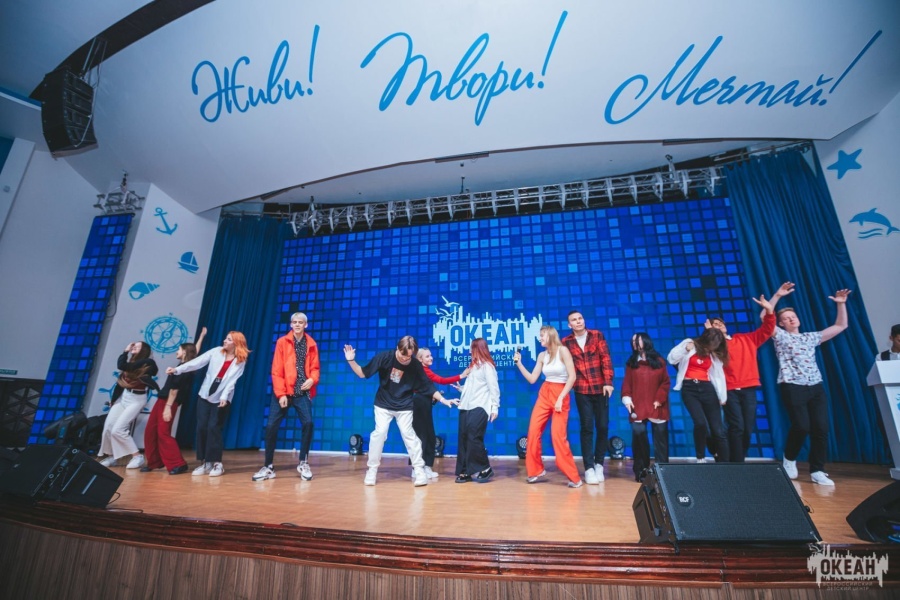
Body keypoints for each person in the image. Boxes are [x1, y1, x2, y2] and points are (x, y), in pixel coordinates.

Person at [343, 336, 454, 486]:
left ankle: (419, 470)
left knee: (410, 436)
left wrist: (443, 400)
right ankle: (372, 470)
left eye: (409, 356)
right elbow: (363, 373)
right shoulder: (385, 358)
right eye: (403, 355)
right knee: (379, 434)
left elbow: (428, 386)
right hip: (383, 404)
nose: (405, 359)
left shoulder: (415, 365)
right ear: (397, 348)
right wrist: (351, 360)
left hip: (404, 406)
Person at [707, 282, 794, 462]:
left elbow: (767, 330)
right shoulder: (714, 346)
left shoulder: (745, 339)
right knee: (737, 426)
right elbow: (713, 353)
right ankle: (736, 464)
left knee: (747, 428)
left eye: (720, 323)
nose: (718, 325)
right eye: (714, 325)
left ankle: (731, 455)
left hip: (749, 388)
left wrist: (769, 310)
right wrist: (711, 335)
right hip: (729, 390)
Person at [774, 289, 851, 486]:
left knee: (821, 428)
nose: (791, 319)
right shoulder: (780, 336)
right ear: (781, 323)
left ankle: (817, 470)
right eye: (786, 318)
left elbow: (841, 325)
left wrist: (841, 303)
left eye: (793, 316)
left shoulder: (810, 337)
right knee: (801, 426)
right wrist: (777, 296)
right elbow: (764, 319)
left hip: (815, 386)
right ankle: (789, 458)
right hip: (792, 386)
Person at [168, 331, 250, 478]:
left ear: (236, 343)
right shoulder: (216, 352)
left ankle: (217, 463)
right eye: (225, 338)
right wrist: (177, 370)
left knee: (214, 428)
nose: (224, 341)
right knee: (201, 427)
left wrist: (224, 397)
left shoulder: (240, 360)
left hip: (222, 399)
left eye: (228, 339)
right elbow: (197, 362)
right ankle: (205, 463)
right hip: (204, 395)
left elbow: (232, 381)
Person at [252, 313, 321, 482]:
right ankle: (268, 466)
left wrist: (312, 379)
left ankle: (303, 462)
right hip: (284, 391)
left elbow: (315, 368)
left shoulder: (311, 344)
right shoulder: (282, 342)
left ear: (306, 325)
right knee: (271, 427)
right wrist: (281, 393)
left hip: (302, 391)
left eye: (300, 322)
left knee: (308, 423)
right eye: (294, 322)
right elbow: (277, 370)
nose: (297, 325)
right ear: (291, 324)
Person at [514, 325, 584, 488]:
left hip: (561, 393)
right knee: (533, 431)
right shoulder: (542, 355)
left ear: (551, 335)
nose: (540, 338)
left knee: (558, 436)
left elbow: (572, 377)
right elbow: (532, 379)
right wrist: (519, 363)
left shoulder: (563, 351)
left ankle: (574, 478)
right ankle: (536, 470)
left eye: (542, 335)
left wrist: (561, 398)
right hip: (545, 392)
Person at [140, 327, 207, 474]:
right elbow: (194, 351)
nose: (176, 351)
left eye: (179, 349)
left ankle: (178, 463)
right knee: (150, 431)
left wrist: (168, 407)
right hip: (162, 401)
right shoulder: (186, 365)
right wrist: (201, 337)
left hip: (168, 402)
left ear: (184, 352)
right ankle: (154, 462)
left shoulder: (184, 368)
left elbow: (174, 390)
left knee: (163, 433)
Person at [562, 310, 614, 484]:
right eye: (574, 320)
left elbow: (606, 359)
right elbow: (565, 366)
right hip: (581, 389)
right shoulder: (566, 342)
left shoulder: (597, 335)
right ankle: (589, 468)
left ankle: (599, 464)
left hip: (601, 387)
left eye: (580, 318)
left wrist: (608, 381)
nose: (578, 321)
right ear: (569, 324)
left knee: (603, 426)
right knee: (587, 428)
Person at [667, 328, 729, 462]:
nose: (711, 348)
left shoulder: (713, 355)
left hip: (707, 389)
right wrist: (685, 350)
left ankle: (725, 463)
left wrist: (722, 396)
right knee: (700, 423)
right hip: (690, 389)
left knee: (718, 430)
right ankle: (700, 457)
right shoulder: (689, 343)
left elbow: (718, 377)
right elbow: (671, 358)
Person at [97, 341, 160, 469]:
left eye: (137, 346)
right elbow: (120, 384)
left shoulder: (148, 362)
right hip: (124, 397)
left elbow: (122, 365)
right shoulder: (131, 363)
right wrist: (113, 400)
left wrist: (125, 352)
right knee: (108, 427)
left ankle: (137, 456)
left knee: (118, 430)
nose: (134, 346)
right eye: (133, 345)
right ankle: (112, 456)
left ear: (144, 350)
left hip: (137, 399)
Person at [621, 333, 671, 482]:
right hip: (638, 405)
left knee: (661, 439)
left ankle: (663, 471)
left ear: (646, 341)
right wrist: (627, 398)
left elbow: (665, 383)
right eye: (633, 341)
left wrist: (659, 399)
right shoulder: (631, 363)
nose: (635, 343)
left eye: (638, 340)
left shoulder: (659, 361)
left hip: (657, 405)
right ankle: (641, 470)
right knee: (638, 434)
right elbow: (627, 383)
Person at [413, 347, 467, 481]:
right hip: (418, 405)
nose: (431, 358)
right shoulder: (421, 370)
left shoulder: (425, 370)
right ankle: (417, 468)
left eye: (430, 355)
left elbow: (429, 389)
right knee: (421, 437)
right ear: (420, 359)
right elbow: (441, 380)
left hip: (425, 405)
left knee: (429, 436)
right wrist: (461, 376)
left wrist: (434, 398)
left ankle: (426, 466)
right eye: (427, 356)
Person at [454, 339, 500, 483]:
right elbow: (473, 387)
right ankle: (465, 471)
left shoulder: (488, 366)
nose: (469, 351)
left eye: (471, 348)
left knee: (474, 437)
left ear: (478, 349)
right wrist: (461, 389)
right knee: (463, 438)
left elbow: (494, 388)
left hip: (480, 406)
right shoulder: (472, 367)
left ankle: (485, 468)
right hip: (465, 406)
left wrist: (495, 407)